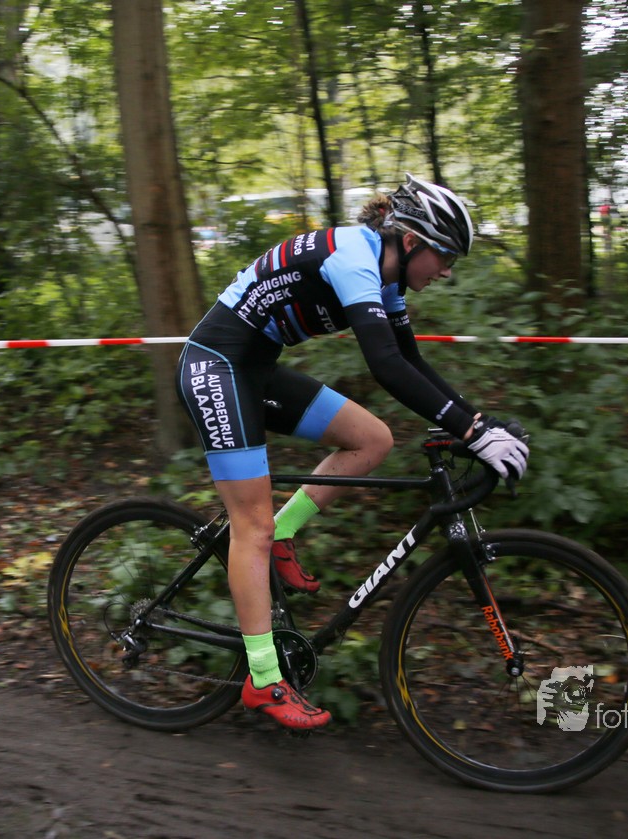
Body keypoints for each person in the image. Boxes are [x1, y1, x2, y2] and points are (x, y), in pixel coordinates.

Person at [175, 174, 530, 731]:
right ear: (410, 241)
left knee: (373, 440)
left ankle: (285, 533)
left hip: (255, 368)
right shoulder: (353, 260)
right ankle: (263, 678)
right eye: (444, 257)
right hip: (215, 366)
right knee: (252, 528)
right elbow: (384, 366)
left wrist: (476, 424)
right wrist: (471, 431)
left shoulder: (386, 278)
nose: (447, 271)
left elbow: (410, 361)